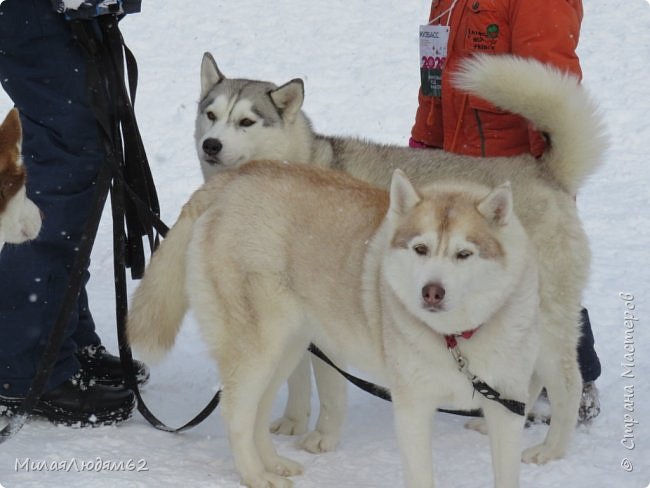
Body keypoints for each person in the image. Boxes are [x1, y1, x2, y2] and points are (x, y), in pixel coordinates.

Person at [410, 0, 601, 421]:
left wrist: (553, 189)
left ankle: (572, 382)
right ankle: (489, 377)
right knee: (475, 274)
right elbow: (434, 81)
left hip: (518, 171)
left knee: (542, 278)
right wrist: (424, 144)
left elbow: (551, 91)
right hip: (460, 170)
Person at [0, 0, 148, 427]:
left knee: (84, 155)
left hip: (72, 12)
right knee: (66, 165)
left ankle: (61, 335)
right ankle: (24, 361)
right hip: (35, 10)